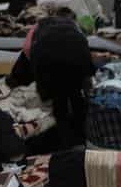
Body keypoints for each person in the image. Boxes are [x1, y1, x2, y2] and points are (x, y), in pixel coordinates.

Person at [27, 16, 95, 151]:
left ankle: (67, 144)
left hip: (48, 60)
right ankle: (84, 139)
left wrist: (44, 92)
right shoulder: (75, 28)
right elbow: (85, 57)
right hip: (75, 57)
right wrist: (88, 88)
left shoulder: (38, 29)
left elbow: (32, 56)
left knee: (59, 102)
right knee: (77, 97)